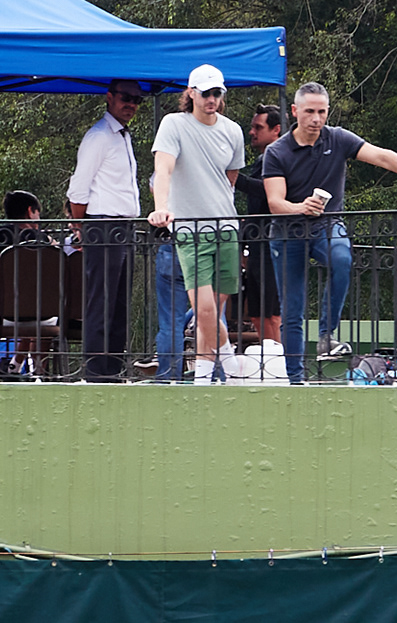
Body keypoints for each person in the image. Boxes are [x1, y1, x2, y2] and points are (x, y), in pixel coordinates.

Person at [261, 81, 397, 383]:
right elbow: (275, 203)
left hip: (326, 224)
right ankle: (296, 380)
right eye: (309, 111)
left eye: (322, 111)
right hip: (287, 231)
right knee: (292, 311)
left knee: (342, 259)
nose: (316, 119)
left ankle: (326, 335)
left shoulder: (338, 139)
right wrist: (301, 207)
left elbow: (382, 156)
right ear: (295, 112)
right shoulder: (277, 151)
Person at [149, 65, 246, 386]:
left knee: (213, 313)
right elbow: (162, 170)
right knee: (203, 309)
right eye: (205, 93)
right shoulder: (173, 124)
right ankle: (231, 365)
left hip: (226, 229)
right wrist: (161, 208)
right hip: (189, 230)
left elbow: (229, 179)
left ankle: (204, 380)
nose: (212, 100)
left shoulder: (232, 130)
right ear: (190, 93)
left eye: (217, 93)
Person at [68, 79, 147, 381]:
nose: (132, 105)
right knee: (100, 303)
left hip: (123, 227)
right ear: (109, 98)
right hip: (102, 224)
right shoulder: (99, 136)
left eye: (137, 100)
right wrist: (82, 226)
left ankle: (113, 369)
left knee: (118, 304)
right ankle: (96, 372)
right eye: (126, 98)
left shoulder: (122, 136)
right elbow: (78, 190)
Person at [0, 190, 56, 379]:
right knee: (33, 309)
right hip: (46, 313)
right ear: (29, 211)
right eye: (37, 213)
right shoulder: (44, 242)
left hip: (4, 313)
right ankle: (38, 373)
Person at [233, 103, 283, 345]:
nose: (252, 132)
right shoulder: (263, 160)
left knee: (271, 311)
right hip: (256, 245)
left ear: (276, 130)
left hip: (272, 242)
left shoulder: (281, 158)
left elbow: (267, 191)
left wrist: (233, 177)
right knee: (256, 311)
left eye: (258, 127)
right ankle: (270, 360)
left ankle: (281, 364)